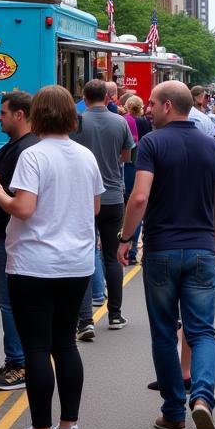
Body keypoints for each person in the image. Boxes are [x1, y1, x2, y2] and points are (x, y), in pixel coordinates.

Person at [0, 85, 103, 429]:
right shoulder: (85, 156)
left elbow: (24, 208)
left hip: (34, 262)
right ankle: (70, 428)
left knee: (36, 346)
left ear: (36, 116)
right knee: (65, 343)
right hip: (76, 263)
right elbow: (94, 209)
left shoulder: (33, 156)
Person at [116, 81, 215, 429]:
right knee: (202, 332)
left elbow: (139, 196)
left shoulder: (152, 143)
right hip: (200, 249)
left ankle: (173, 412)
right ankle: (203, 399)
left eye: (151, 103)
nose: (147, 108)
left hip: (162, 248)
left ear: (167, 106)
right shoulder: (212, 146)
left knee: (165, 332)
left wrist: (126, 239)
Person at [0, 92, 38, 392]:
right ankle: (14, 359)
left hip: (10, 236)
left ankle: (19, 364)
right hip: (4, 233)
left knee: (9, 302)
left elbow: (20, 200)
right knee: (8, 302)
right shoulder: (14, 147)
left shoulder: (25, 151)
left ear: (19, 115)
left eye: (3, 112)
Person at [72, 79, 135, 337]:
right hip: (112, 196)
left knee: (85, 256)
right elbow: (127, 157)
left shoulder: (77, 122)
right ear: (108, 99)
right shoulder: (120, 122)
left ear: (84, 98)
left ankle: (85, 320)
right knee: (112, 257)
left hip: (83, 198)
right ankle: (115, 315)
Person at [124, 96, 150, 264]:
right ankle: (133, 250)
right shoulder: (144, 123)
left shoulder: (124, 121)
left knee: (126, 208)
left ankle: (125, 245)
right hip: (140, 167)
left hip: (128, 167)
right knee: (138, 212)